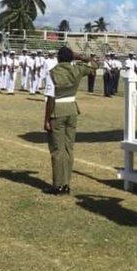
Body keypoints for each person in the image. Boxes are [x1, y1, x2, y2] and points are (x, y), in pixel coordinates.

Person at [42, 47, 99, 195]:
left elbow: (50, 99)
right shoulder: (77, 69)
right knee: (68, 149)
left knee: (57, 149)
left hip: (58, 111)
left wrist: (46, 119)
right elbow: (95, 64)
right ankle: (66, 184)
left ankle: (58, 185)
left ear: (58, 58)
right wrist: (81, 57)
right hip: (72, 110)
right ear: (71, 58)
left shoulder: (53, 73)